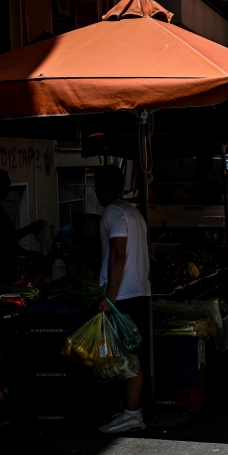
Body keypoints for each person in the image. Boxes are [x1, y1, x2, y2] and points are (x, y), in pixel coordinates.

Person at [95, 166, 151, 433]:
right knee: (128, 353)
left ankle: (132, 414)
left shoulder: (113, 212)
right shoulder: (133, 212)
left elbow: (118, 255)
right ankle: (129, 409)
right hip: (137, 290)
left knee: (127, 355)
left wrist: (110, 297)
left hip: (124, 295)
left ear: (100, 187)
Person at [0, 169, 45, 283]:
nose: (8, 190)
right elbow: (1, 242)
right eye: (6, 185)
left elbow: (6, 238)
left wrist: (29, 230)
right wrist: (26, 252)